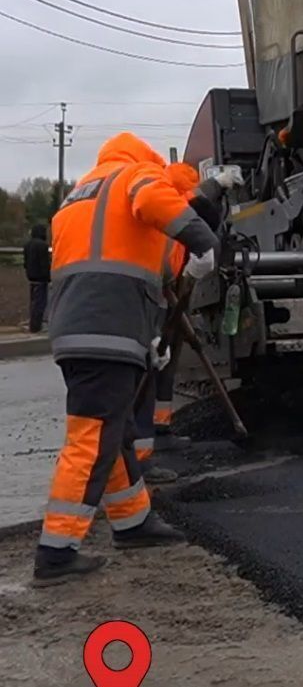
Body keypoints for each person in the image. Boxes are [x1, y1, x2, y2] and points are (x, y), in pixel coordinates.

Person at [33, 133, 221, 586]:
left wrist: (151, 330)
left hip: (78, 327)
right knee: (92, 439)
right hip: (107, 325)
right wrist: (203, 241)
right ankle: (56, 552)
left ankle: (132, 522)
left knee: (110, 433)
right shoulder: (137, 176)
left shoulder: (79, 192)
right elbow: (162, 206)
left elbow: (120, 257)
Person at [134, 162, 232, 483]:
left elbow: (205, 197)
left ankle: (161, 429)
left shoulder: (187, 205)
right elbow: (157, 268)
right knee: (148, 367)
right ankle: (138, 457)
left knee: (168, 363)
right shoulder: (169, 216)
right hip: (147, 301)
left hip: (168, 296)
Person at [22, 223, 51, 333]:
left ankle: (33, 324)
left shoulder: (27, 245)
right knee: (40, 302)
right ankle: (36, 326)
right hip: (41, 278)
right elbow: (44, 264)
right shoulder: (43, 246)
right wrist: (49, 277)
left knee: (33, 301)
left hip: (31, 277)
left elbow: (25, 262)